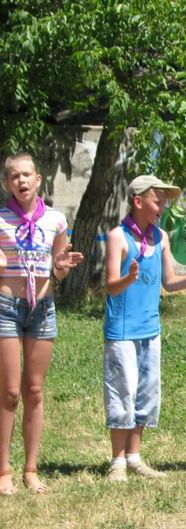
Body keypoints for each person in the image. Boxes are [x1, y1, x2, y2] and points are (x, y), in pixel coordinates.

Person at [104, 175, 186, 483]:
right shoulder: (118, 237)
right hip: (122, 330)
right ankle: (117, 460)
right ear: (138, 201)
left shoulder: (162, 237)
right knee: (122, 390)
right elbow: (111, 286)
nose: (163, 206)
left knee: (146, 393)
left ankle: (134, 457)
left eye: (165, 202)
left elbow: (169, 283)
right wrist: (127, 279)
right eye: (159, 200)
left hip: (150, 329)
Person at [0, 153, 83, 495]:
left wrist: (61, 265)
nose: (21, 181)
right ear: (7, 183)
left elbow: (58, 270)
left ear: (39, 179)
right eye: (14, 176)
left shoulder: (56, 220)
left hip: (42, 308)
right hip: (6, 306)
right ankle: (3, 470)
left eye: (26, 175)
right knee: (10, 391)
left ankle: (30, 469)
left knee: (34, 390)